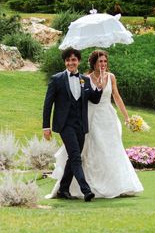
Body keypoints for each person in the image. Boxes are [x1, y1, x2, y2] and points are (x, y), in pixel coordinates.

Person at [47, 49, 144, 199]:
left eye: (105, 61)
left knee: (111, 150)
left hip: (108, 118)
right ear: (93, 63)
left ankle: (117, 185)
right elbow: (87, 100)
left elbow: (116, 97)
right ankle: (86, 189)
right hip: (90, 118)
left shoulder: (111, 77)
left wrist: (127, 117)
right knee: (83, 153)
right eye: (100, 61)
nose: (103, 64)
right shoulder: (85, 78)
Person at [42, 48, 103, 202]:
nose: (71, 63)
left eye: (74, 60)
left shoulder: (85, 80)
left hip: (81, 124)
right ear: (65, 62)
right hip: (64, 124)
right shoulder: (57, 79)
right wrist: (46, 126)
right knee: (76, 157)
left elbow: (94, 100)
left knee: (73, 157)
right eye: (68, 60)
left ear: (79, 62)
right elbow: (48, 104)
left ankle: (63, 189)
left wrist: (100, 87)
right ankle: (86, 190)